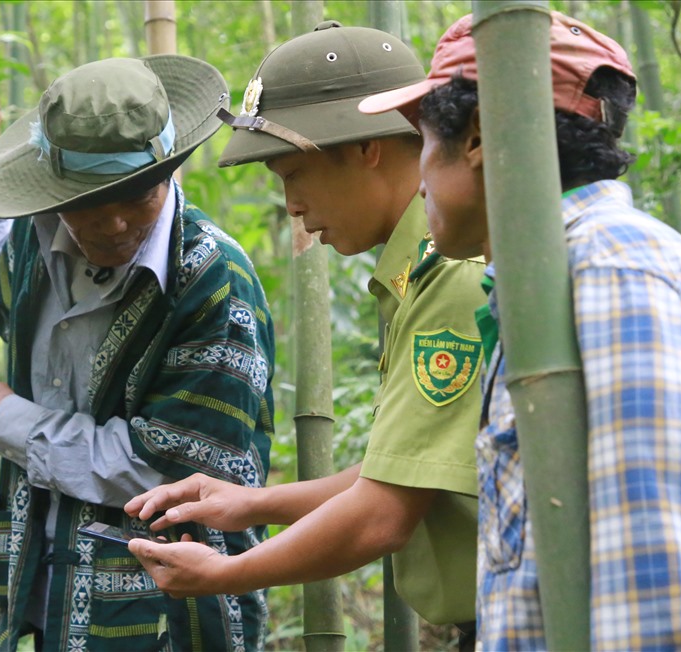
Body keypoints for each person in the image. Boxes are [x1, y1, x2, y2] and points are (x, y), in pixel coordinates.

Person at [359, 11, 681, 650]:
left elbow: (652, 596)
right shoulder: (551, 280)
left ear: (477, 136)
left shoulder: (612, 279)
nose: (416, 178)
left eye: (420, 141)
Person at [125, 22, 487, 649]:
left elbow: (382, 516)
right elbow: (402, 472)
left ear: (365, 149)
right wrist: (247, 504)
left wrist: (229, 573)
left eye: (293, 174)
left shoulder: (450, 275)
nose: (291, 205)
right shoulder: (418, 270)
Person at [0, 55, 275, 651]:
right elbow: (5, 298)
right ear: (53, 195)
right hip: (40, 593)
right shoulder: (35, 236)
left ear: (169, 172)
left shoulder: (215, 283)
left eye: (137, 196)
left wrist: (9, 422)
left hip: (166, 615)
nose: (115, 224)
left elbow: (174, 471)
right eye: (90, 203)